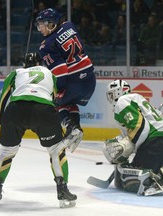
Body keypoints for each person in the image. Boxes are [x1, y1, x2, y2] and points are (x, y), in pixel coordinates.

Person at [0, 52, 77, 208]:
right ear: (40, 64)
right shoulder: (50, 74)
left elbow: (3, 97)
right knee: (56, 150)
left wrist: (3, 120)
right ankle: (62, 188)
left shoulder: (16, 73)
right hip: (43, 110)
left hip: (15, 110)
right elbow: (53, 99)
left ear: (25, 65)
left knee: (6, 152)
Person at [103, 80, 163, 196]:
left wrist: (128, 148)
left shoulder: (122, 101)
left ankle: (151, 183)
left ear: (118, 92)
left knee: (127, 174)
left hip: (155, 144)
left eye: (112, 94)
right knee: (141, 164)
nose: (111, 98)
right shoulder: (137, 98)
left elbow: (140, 127)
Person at [35, 8, 96, 153]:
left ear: (51, 24)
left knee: (55, 101)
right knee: (70, 103)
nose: (39, 29)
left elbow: (60, 71)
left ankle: (71, 127)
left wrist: (58, 90)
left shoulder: (46, 46)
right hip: (89, 78)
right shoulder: (70, 26)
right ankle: (75, 130)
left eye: (42, 25)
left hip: (73, 80)